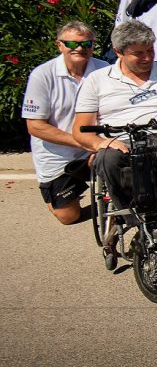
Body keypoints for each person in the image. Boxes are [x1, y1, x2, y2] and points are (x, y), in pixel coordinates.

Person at [73, 21, 157, 249]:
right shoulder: (98, 80)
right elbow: (80, 128)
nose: (147, 58)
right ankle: (133, 219)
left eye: (150, 51)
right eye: (138, 54)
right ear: (118, 52)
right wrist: (102, 142)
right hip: (122, 138)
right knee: (106, 158)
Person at [22, 21, 107, 224]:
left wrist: (99, 144)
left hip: (96, 147)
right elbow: (35, 126)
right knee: (68, 217)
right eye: (71, 44)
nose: (79, 48)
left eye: (87, 44)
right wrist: (84, 142)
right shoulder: (42, 75)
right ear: (59, 45)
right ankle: (64, 198)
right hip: (59, 155)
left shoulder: (105, 69)